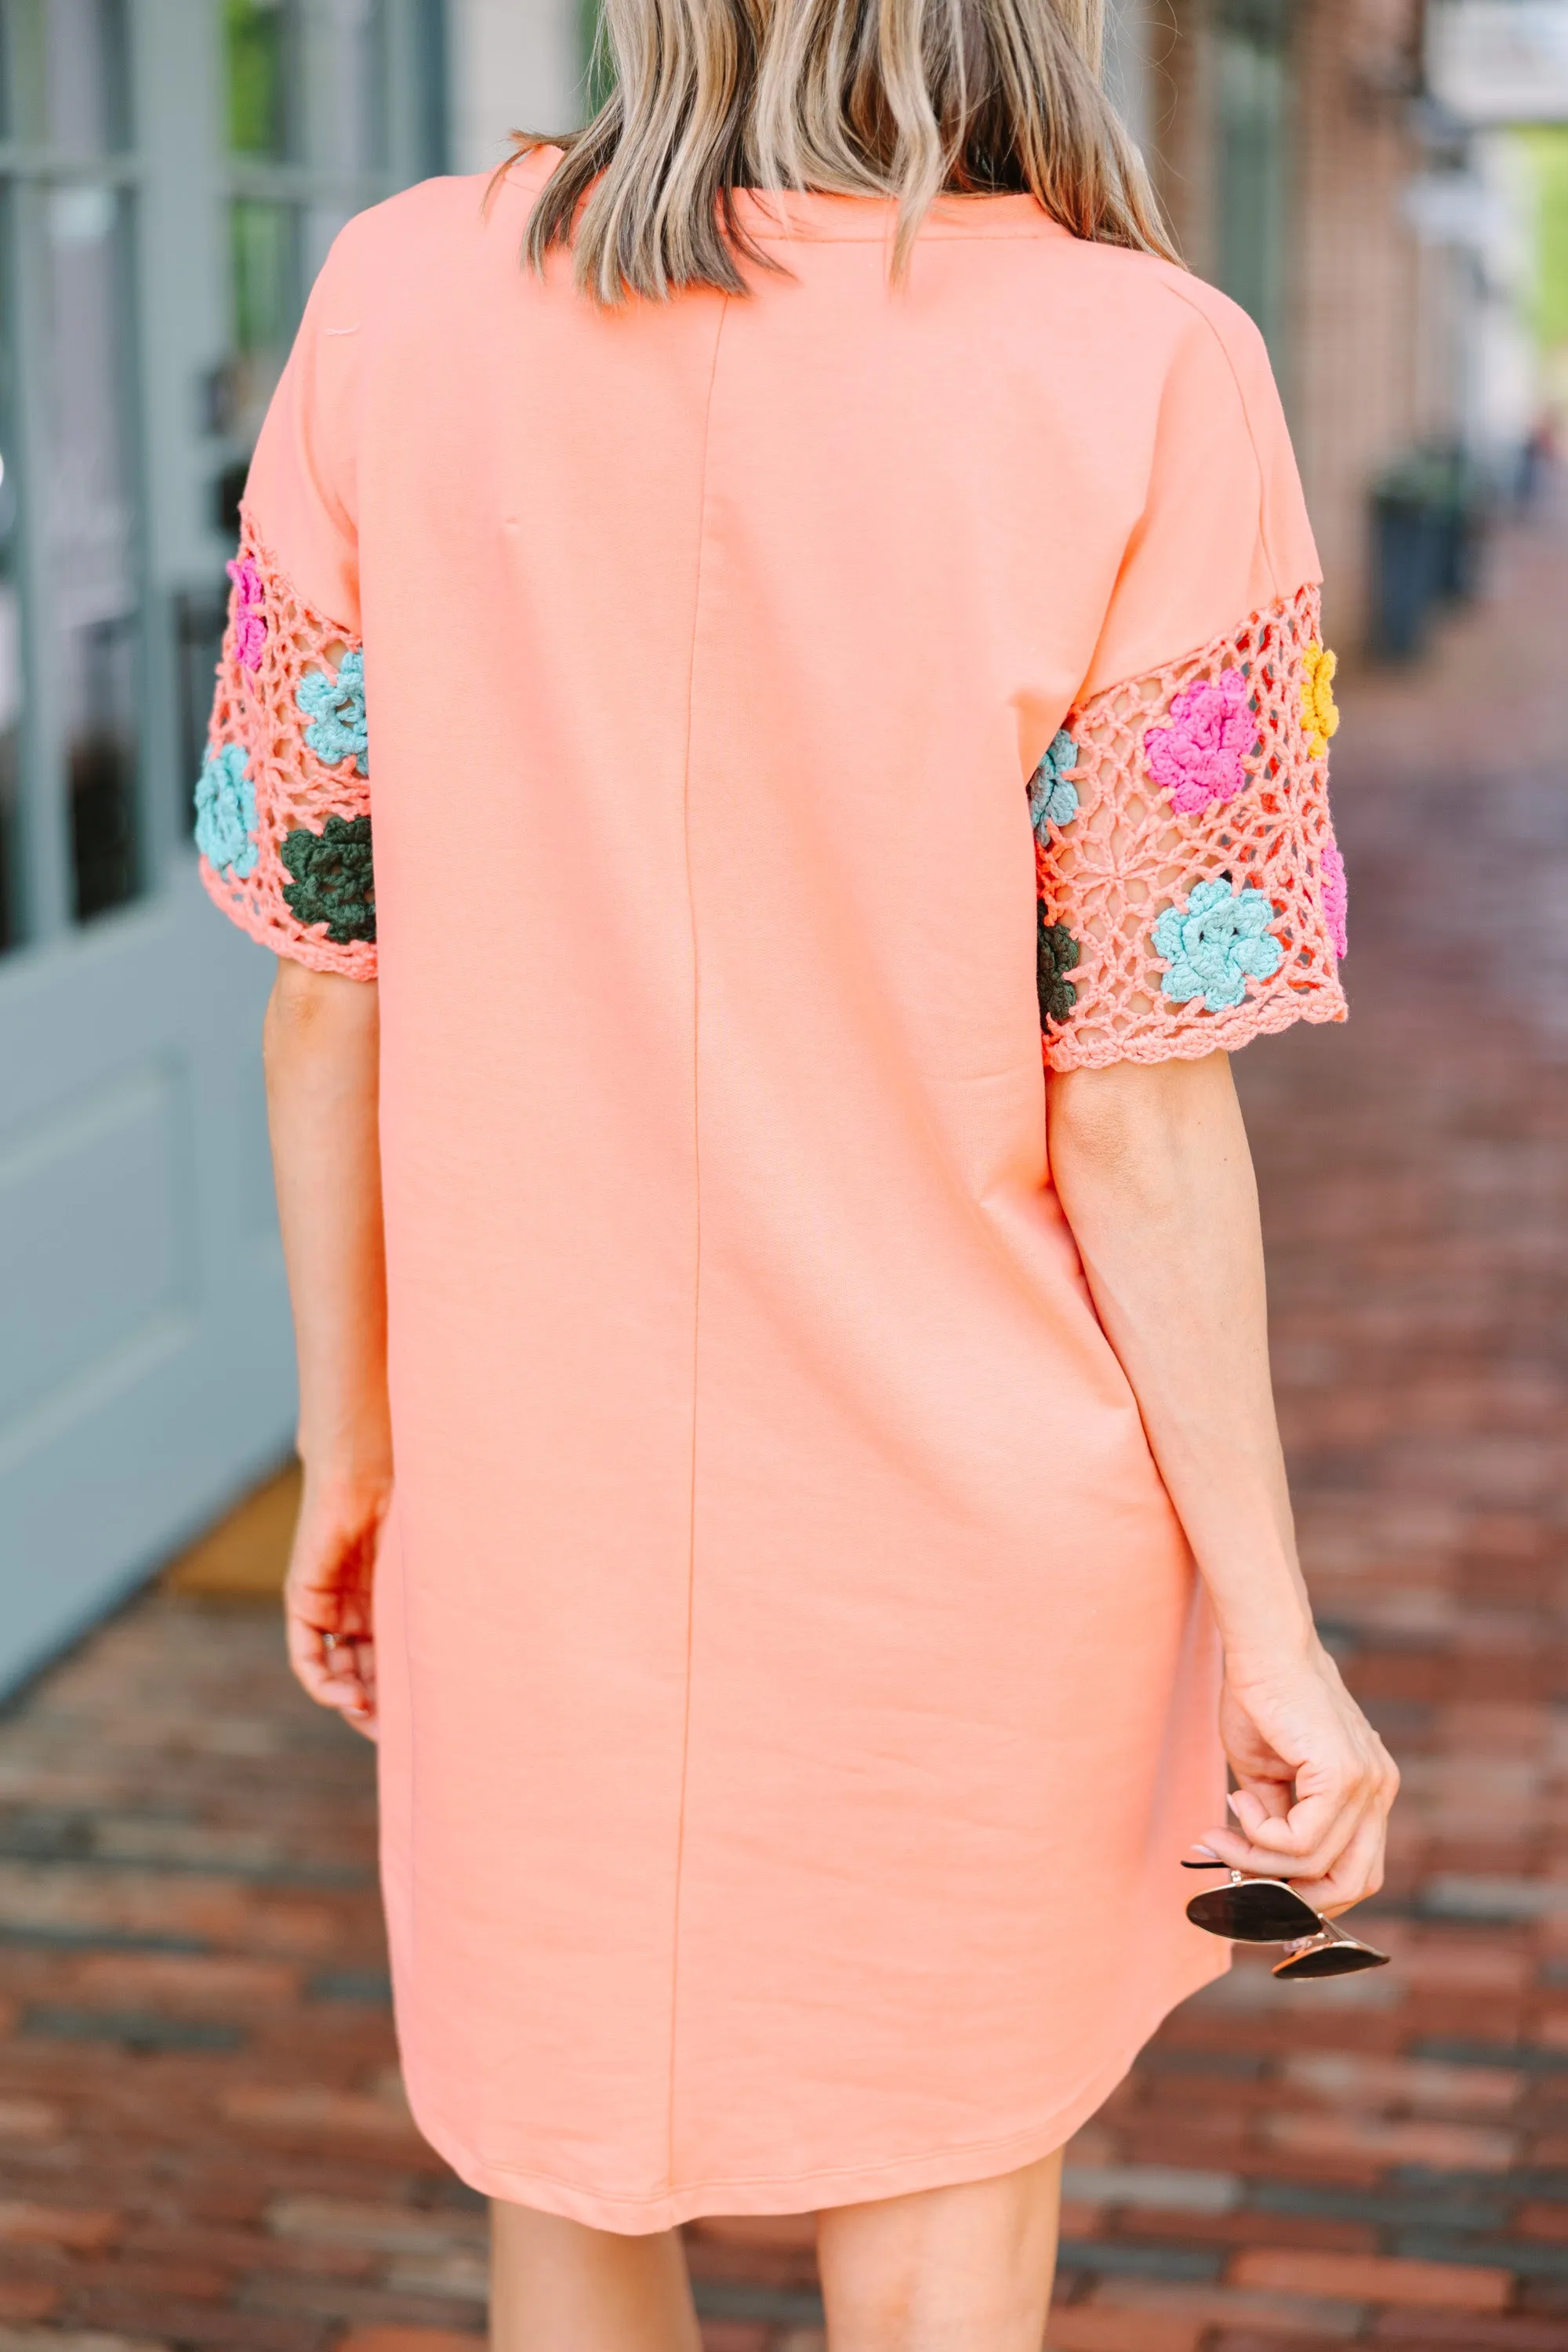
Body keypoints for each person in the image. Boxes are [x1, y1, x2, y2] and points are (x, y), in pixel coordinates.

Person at [194, 0, 1398, 2341]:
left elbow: (325, 983)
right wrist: (1275, 1624)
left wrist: (358, 1459)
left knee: (567, 2190)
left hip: (529, 1516)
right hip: (973, 1542)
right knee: (944, 2227)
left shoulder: (398, 300)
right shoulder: (1147, 364)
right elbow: (1139, 1100)